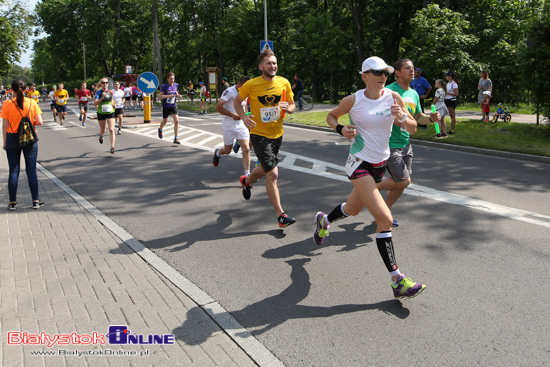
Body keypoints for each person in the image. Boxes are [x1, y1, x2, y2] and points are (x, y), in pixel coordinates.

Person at [312, 56, 426, 300]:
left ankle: (324, 220)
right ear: (364, 76)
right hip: (358, 163)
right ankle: (398, 280)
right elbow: (331, 116)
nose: (382, 75)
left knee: (352, 209)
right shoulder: (354, 100)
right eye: (375, 72)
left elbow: (414, 127)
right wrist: (341, 129)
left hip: (379, 165)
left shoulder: (393, 97)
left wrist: (402, 118)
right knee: (384, 219)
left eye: (384, 72)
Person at [233, 49, 296, 228]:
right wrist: (244, 117)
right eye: (269, 63)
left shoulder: (284, 83)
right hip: (258, 134)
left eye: (274, 63)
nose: (273, 66)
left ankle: (247, 181)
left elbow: (292, 105)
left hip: (277, 133)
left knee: (263, 168)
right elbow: (238, 102)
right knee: (273, 173)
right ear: (261, 66)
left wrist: (289, 108)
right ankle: (281, 216)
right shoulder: (251, 85)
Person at [376, 58, 439, 226]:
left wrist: (431, 119)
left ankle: (383, 213)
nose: (412, 71)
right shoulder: (388, 91)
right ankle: (367, 185)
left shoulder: (413, 94)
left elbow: (418, 118)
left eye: (413, 68)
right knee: (403, 180)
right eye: (407, 68)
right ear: (397, 72)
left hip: (406, 144)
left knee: (400, 183)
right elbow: (378, 114)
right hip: (390, 144)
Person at [1, 78, 44, 211]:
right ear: (26, 90)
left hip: (12, 138)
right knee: (31, 170)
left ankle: (12, 202)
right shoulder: (32, 102)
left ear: (12, 90)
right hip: (29, 138)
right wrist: (29, 123)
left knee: (13, 171)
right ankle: (35, 201)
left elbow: (4, 126)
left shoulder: (7, 104)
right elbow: (40, 122)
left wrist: (4, 142)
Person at [213, 76, 251, 176]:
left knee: (246, 148)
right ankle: (218, 153)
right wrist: (233, 115)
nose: (247, 90)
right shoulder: (229, 91)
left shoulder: (246, 92)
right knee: (227, 150)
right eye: (244, 87)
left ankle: (247, 176)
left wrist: (246, 118)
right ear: (239, 84)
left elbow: (245, 107)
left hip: (241, 125)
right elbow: (218, 107)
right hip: (228, 125)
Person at [158, 72, 182, 144]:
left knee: (177, 121)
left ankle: (176, 138)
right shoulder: (164, 86)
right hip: (166, 106)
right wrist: (168, 96)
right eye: (171, 79)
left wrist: (178, 95)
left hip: (173, 105)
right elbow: (159, 96)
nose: (172, 80)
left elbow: (175, 91)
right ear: (168, 79)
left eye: (173, 78)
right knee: (165, 121)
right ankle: (160, 129)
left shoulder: (176, 85)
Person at [94, 78, 116, 154]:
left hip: (110, 112)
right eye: (103, 83)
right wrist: (102, 98)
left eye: (106, 83)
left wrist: (113, 105)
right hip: (101, 113)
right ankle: (101, 135)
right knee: (103, 130)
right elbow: (95, 103)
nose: (105, 84)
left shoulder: (110, 92)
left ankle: (112, 147)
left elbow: (112, 100)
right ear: (101, 84)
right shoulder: (98, 93)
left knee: (111, 129)